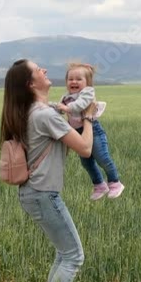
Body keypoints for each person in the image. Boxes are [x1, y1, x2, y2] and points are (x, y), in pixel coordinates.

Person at [1, 59, 95, 282]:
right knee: (74, 257)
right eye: (38, 70)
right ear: (31, 84)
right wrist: (89, 116)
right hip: (43, 194)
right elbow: (85, 148)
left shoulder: (30, 112)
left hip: (33, 193)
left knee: (64, 254)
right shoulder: (44, 115)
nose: (44, 70)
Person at [53, 63, 124, 200]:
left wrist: (66, 108)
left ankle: (115, 182)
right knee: (86, 163)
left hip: (94, 131)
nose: (74, 82)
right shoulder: (66, 97)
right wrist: (51, 107)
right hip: (78, 133)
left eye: (78, 79)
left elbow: (81, 105)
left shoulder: (88, 93)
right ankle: (99, 185)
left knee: (102, 158)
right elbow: (59, 108)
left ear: (87, 83)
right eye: (70, 79)